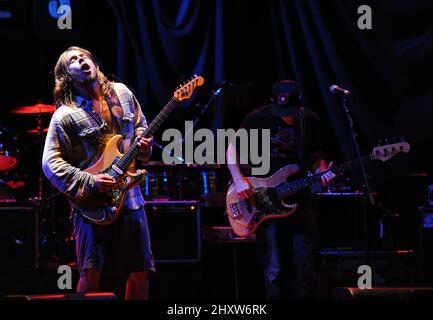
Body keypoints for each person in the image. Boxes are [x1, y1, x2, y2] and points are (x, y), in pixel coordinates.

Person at [42, 46, 155, 300]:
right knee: (91, 271)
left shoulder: (122, 93)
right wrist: (89, 180)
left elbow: (141, 126)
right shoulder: (65, 116)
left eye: (84, 56)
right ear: (66, 75)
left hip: (130, 196)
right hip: (91, 203)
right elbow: (50, 163)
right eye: (74, 60)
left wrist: (143, 143)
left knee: (140, 269)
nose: (82, 60)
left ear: (94, 63)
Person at [226, 80, 335, 300]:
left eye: (291, 111)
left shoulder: (310, 120)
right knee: (274, 270)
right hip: (265, 202)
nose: (287, 117)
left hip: (300, 201)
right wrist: (239, 180)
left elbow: (315, 157)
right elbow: (231, 149)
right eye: (282, 111)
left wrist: (321, 171)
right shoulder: (256, 119)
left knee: (305, 270)